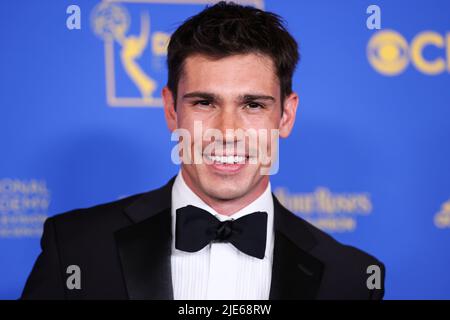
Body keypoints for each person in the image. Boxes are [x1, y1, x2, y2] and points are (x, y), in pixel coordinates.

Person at [21, 1, 385, 300]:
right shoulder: (76, 247)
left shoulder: (350, 279)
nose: (227, 132)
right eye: (204, 103)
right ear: (170, 109)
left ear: (286, 116)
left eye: (253, 105)